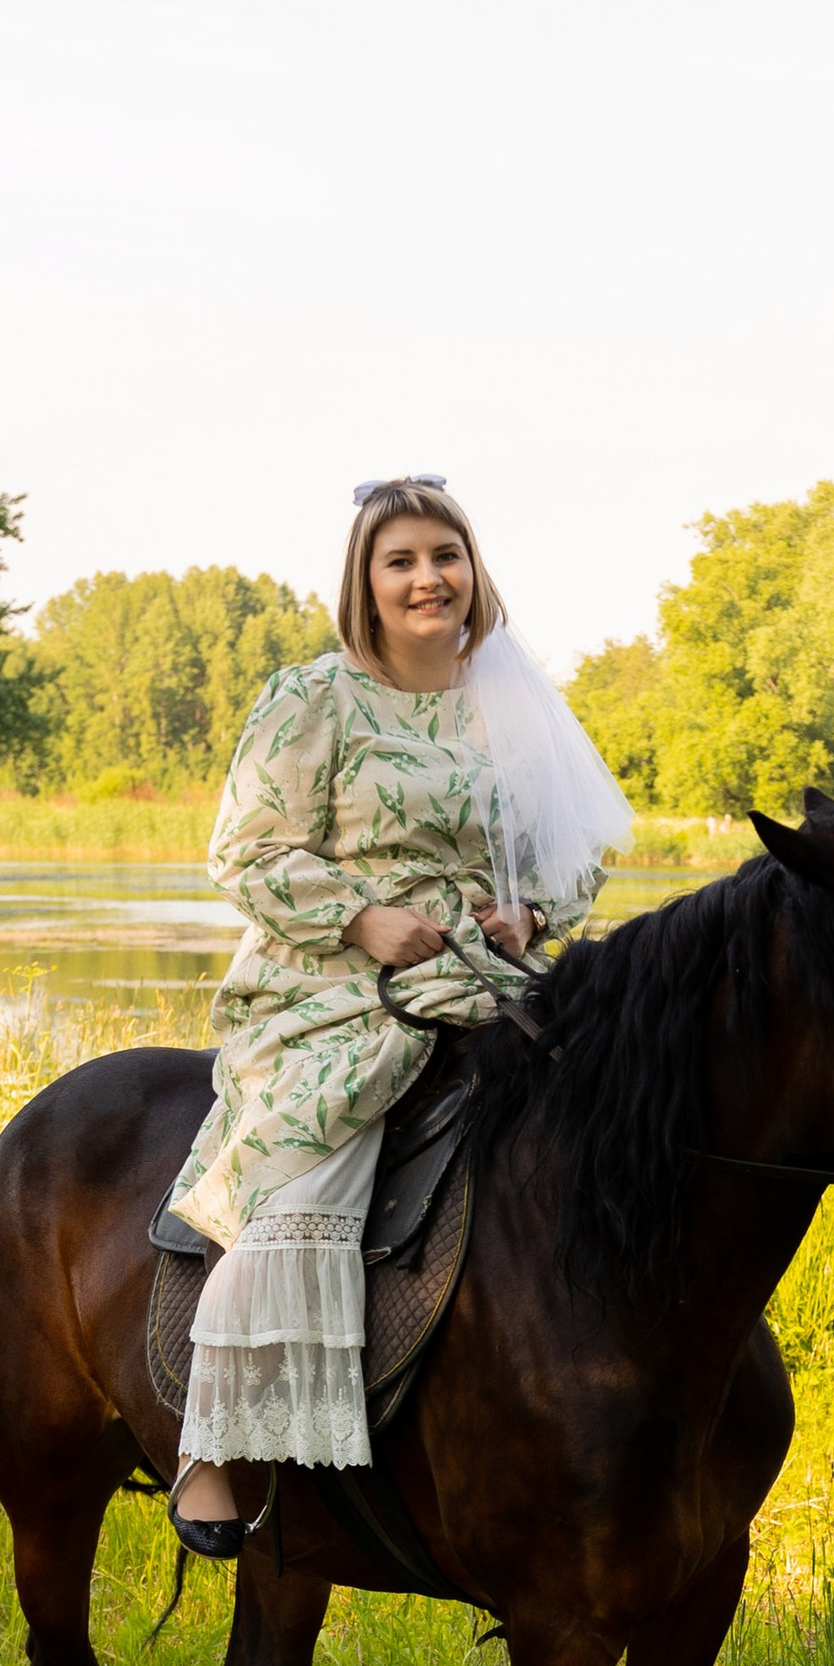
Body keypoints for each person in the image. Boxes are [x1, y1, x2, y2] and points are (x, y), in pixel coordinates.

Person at [164, 477, 632, 1556]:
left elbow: (578, 843)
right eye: (401, 560)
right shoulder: (313, 697)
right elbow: (246, 849)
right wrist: (362, 918)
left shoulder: (512, 699)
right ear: (364, 585)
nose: (428, 577)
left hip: (484, 970)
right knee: (311, 1168)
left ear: (474, 570)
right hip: (333, 981)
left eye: (445, 555)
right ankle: (217, 1442)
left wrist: (532, 910)